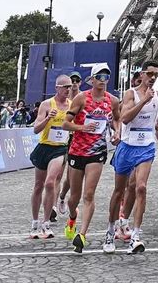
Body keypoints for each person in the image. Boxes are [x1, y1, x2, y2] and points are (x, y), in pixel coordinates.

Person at [106, 59, 158, 254]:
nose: (152, 77)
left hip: (146, 147)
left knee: (140, 187)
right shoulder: (130, 94)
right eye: (149, 73)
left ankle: (136, 235)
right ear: (141, 74)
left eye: (156, 74)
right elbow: (125, 118)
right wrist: (145, 102)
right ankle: (110, 230)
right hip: (127, 145)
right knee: (119, 191)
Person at [62, 65, 118, 253]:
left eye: (106, 77)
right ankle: (72, 217)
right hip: (77, 151)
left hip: (97, 152)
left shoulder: (112, 101)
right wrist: (81, 128)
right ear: (92, 80)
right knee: (74, 198)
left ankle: (83, 234)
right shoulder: (81, 98)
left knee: (89, 194)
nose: (103, 80)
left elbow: (116, 120)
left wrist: (116, 132)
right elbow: (65, 124)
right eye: (100, 76)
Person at [28, 73, 75, 239]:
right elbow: (36, 129)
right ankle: (35, 222)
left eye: (70, 87)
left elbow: (75, 125)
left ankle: (46, 223)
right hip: (44, 147)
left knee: (50, 182)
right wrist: (48, 118)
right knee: (38, 185)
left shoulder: (72, 106)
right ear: (57, 88)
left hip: (60, 149)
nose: (68, 90)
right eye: (65, 87)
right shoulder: (47, 104)